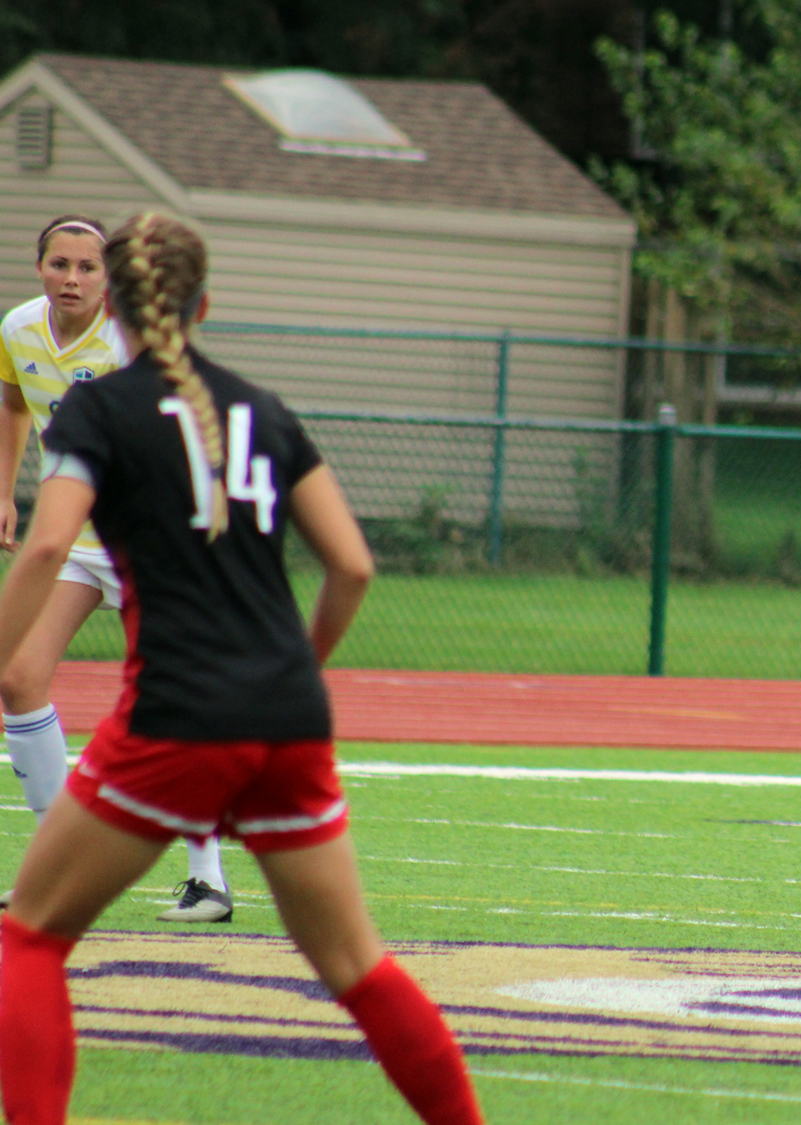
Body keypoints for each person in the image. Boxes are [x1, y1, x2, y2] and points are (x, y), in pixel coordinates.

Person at [0, 213, 484, 1124]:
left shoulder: (98, 406)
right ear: (205, 304)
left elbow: (48, 543)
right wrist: (297, 667)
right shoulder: (262, 407)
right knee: (357, 966)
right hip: (289, 716)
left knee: (28, 937)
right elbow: (353, 565)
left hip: (179, 716)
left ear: (120, 311)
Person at [0, 214, 233, 923]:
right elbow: (12, 403)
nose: (71, 277)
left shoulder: (133, 344)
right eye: (59, 263)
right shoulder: (16, 328)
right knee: (16, 677)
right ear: (39, 267)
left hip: (148, 542)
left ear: (112, 279)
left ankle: (208, 879)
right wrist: (4, 489)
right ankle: (53, 869)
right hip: (73, 538)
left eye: (87, 267)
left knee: (170, 696)